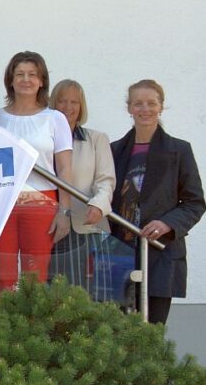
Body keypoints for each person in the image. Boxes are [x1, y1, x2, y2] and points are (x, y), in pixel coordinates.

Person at [111, 79, 204, 324]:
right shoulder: (113, 151)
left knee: (151, 334)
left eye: (151, 103)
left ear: (161, 106)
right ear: (129, 108)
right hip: (120, 254)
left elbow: (195, 202)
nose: (145, 109)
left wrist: (167, 223)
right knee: (117, 332)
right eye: (138, 103)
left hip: (160, 253)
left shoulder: (180, 150)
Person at [0, 51, 73, 292]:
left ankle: (32, 320)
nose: (26, 80)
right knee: (3, 276)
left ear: (41, 81)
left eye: (32, 74)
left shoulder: (55, 118)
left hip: (42, 202)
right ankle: (4, 318)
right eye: (20, 74)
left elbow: (65, 168)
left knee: (35, 277)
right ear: (10, 80)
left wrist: (65, 211)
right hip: (2, 202)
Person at [47, 79, 116, 295]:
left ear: (81, 106)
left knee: (84, 296)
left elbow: (106, 180)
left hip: (84, 226)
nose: (68, 107)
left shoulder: (96, 139)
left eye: (74, 102)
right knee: (49, 294)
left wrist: (99, 205)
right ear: (53, 103)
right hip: (46, 226)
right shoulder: (43, 140)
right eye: (62, 101)